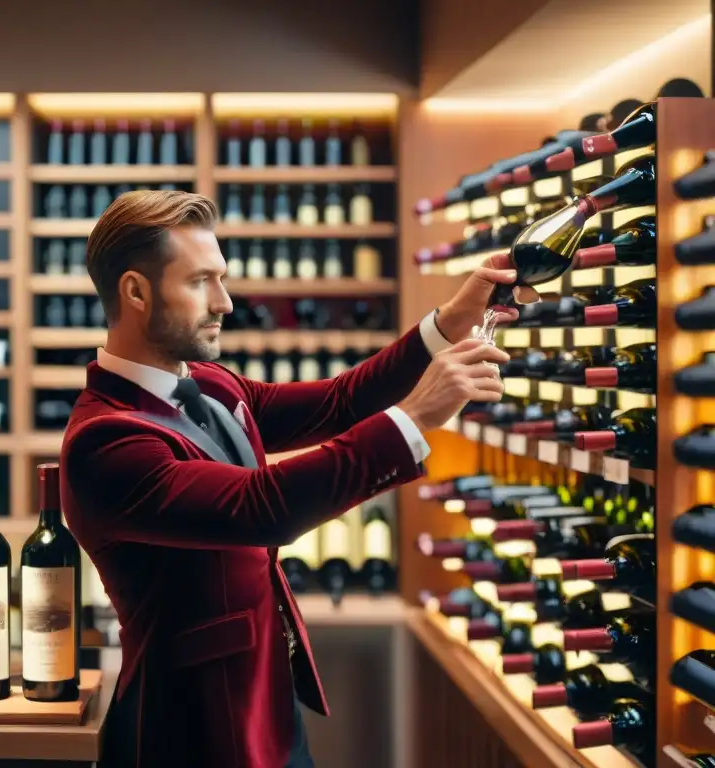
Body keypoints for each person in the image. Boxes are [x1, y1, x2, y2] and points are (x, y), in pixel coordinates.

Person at [59, 189, 528, 768]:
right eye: (201, 281)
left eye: (222, 278)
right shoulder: (105, 442)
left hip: (271, 706)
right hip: (190, 730)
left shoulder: (210, 383)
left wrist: (450, 323)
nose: (225, 302)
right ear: (135, 291)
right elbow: (263, 508)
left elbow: (338, 402)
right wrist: (418, 415)